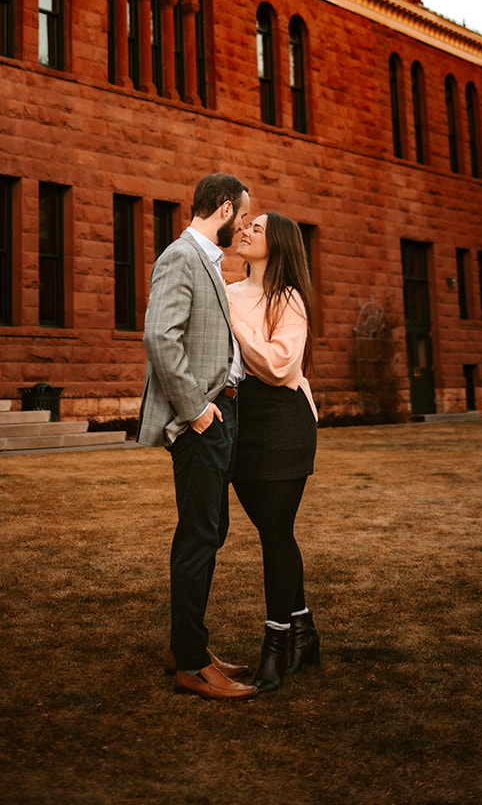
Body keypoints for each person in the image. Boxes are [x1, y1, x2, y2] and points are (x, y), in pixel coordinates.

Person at [138, 173, 258, 701]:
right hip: (200, 421)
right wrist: (198, 412)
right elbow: (159, 338)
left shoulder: (207, 260)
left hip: (220, 414)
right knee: (199, 537)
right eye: (244, 214)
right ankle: (190, 663)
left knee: (208, 533)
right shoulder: (180, 256)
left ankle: (184, 645)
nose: (243, 225)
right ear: (225, 208)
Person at [228, 210, 321, 693]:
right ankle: (305, 628)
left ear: (278, 243)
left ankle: (277, 644)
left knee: (277, 533)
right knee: (271, 530)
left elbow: (282, 367)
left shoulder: (289, 299)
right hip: (241, 424)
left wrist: (238, 331)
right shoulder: (225, 293)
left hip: (285, 420)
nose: (245, 231)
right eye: (245, 225)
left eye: (257, 228)